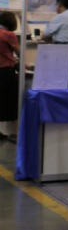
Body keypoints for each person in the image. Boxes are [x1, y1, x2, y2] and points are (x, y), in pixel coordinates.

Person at [0, 11, 20, 142]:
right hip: (6, 71)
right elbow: (20, 52)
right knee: (11, 102)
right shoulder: (9, 35)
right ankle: (14, 133)